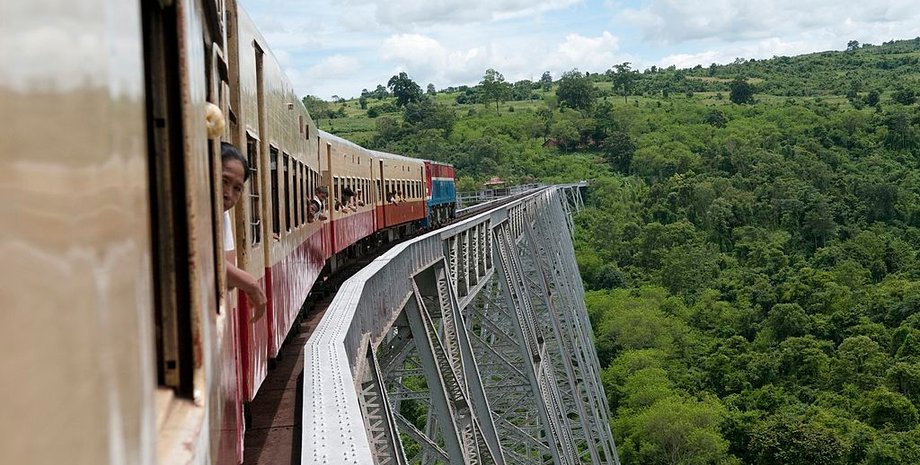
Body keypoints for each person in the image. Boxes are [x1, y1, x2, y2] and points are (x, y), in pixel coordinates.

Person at [221, 142, 267, 321]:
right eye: (223, 181)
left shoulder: (223, 215)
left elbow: (226, 271)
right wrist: (250, 284)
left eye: (237, 189)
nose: (228, 194)